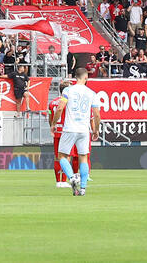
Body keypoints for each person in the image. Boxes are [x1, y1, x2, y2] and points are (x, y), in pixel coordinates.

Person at [51, 67, 100, 196]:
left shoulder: (68, 90)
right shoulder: (91, 93)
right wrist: (96, 130)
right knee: (83, 158)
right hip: (84, 130)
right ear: (86, 77)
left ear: (75, 77)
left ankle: (72, 177)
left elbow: (60, 107)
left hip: (70, 128)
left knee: (61, 156)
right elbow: (96, 114)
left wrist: (54, 123)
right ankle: (83, 188)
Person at [47, 79, 78, 189]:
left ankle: (58, 181)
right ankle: (64, 180)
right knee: (67, 157)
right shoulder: (68, 101)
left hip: (57, 132)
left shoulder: (52, 102)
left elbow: (50, 117)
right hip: (66, 131)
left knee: (57, 157)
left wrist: (52, 126)